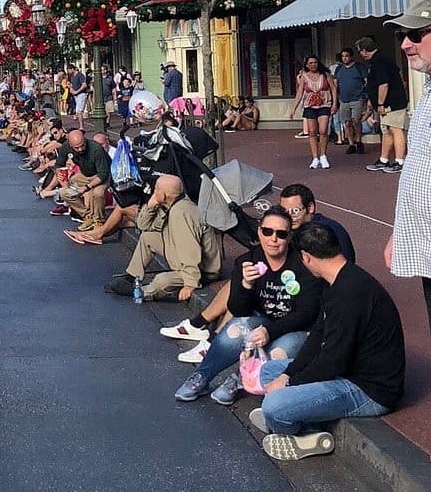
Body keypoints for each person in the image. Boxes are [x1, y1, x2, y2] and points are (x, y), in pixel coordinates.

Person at [253, 223, 405, 462]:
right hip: (346, 371)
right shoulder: (337, 280)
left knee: (274, 405)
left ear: (306, 257)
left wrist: (290, 383)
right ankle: (292, 414)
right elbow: (317, 337)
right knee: (269, 371)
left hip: (369, 390)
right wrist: (287, 374)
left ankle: (306, 435)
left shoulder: (349, 294)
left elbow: (333, 361)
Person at [173, 205, 321, 404]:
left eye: (281, 234)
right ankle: (203, 375)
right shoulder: (248, 261)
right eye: (267, 231)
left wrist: (270, 332)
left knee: (280, 350)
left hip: (296, 327)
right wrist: (246, 285)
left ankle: (240, 378)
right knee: (235, 330)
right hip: (261, 320)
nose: (273, 239)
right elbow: (238, 310)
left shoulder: (302, 264)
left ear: (289, 236)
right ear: (259, 231)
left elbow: (307, 313)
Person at [383, 0, 431, 469]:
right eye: (404, 34)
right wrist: (399, 233)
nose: (406, 43)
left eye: (416, 34)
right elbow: (421, 170)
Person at [106, 174, 222, 303]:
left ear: (164, 194)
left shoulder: (181, 213)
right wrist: (150, 207)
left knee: (162, 280)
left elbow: (190, 250)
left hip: (201, 270)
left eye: (157, 189)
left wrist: (190, 284)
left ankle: (141, 292)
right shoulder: (171, 204)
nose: (154, 192)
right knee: (148, 237)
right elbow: (143, 226)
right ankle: (133, 275)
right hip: (177, 250)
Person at [357, 35, 408, 173]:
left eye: (360, 51)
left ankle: (400, 161)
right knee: (386, 131)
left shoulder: (380, 61)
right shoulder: (378, 59)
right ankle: (383, 159)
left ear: (364, 50)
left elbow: (383, 84)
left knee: (396, 129)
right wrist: (372, 101)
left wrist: (380, 103)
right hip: (386, 103)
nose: (361, 54)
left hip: (392, 102)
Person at [49, 129, 111, 230]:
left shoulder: (96, 149)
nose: (80, 149)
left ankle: (99, 220)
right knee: (65, 192)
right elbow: (58, 164)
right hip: (85, 174)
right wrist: (58, 172)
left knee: (98, 193)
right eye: (76, 147)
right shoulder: (66, 146)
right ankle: (88, 216)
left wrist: (87, 187)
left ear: (85, 140)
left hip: (101, 174)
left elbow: (103, 174)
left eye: (82, 145)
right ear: (70, 144)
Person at [287, 55, 338, 169]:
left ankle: (323, 155)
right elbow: (300, 93)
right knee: (312, 132)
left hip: (324, 104)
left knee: (323, 130)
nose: (313, 65)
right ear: (306, 65)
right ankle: (315, 158)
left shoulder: (325, 75)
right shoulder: (304, 77)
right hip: (310, 106)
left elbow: (333, 88)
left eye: (315, 62)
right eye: (310, 63)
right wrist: (293, 108)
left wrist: (334, 104)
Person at [333, 48, 369, 154]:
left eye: (347, 56)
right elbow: (335, 84)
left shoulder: (359, 67)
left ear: (351, 56)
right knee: (347, 122)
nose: (345, 58)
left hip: (357, 98)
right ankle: (351, 144)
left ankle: (359, 141)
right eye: (343, 56)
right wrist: (335, 99)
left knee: (356, 121)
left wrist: (364, 94)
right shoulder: (339, 69)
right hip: (344, 99)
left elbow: (367, 81)